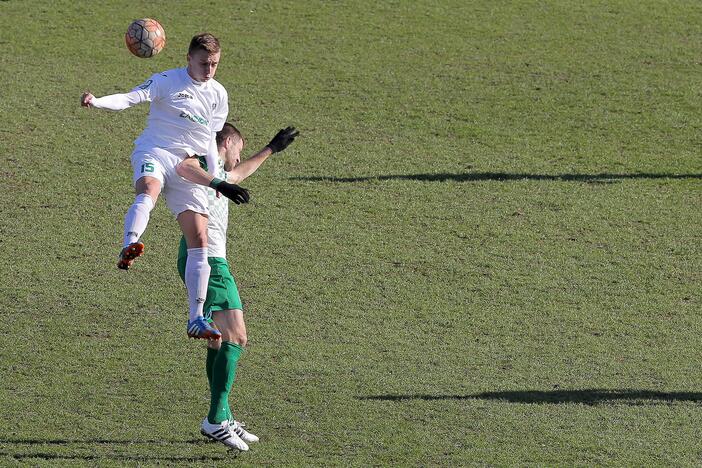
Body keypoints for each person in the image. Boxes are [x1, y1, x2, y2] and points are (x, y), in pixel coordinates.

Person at [80, 33, 250, 339]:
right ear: (188, 59)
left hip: (189, 164)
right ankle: (130, 242)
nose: (209, 70)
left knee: (199, 238)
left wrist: (215, 177)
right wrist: (97, 101)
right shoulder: (166, 80)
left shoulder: (218, 94)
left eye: (214, 63)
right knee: (149, 189)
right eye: (203, 63)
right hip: (156, 151)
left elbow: (212, 143)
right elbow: (130, 98)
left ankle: (196, 318)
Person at [177, 122, 299, 450]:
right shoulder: (202, 164)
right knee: (237, 337)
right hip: (209, 261)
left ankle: (223, 414)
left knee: (217, 339)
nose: (238, 157)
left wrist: (271, 148)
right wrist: (218, 179)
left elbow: (239, 174)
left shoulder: (217, 172)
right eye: (239, 149)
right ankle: (216, 419)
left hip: (202, 258)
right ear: (227, 141)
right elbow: (184, 166)